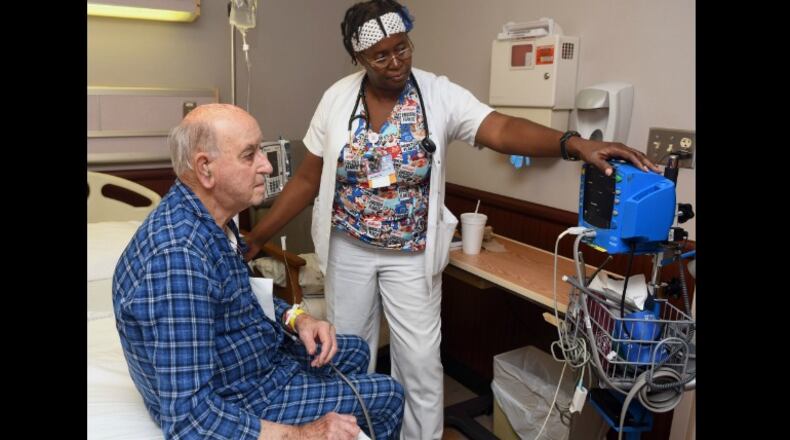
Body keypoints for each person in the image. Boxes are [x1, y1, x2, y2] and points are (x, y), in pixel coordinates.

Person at [242, 1, 660, 438]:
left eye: (402, 48)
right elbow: (307, 180)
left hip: (412, 255)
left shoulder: (436, 93)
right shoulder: (337, 98)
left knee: (420, 362)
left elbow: (498, 128)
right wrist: (257, 236)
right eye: (380, 56)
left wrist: (572, 144)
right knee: (349, 354)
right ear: (358, 59)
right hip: (350, 249)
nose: (396, 62)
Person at [112, 103, 404, 440]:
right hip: (241, 396)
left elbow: (239, 295)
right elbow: (189, 419)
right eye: (250, 155)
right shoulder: (179, 260)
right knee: (389, 396)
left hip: (251, 358)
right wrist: (304, 434)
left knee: (354, 350)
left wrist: (297, 319)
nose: (267, 166)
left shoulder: (212, 222)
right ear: (206, 169)